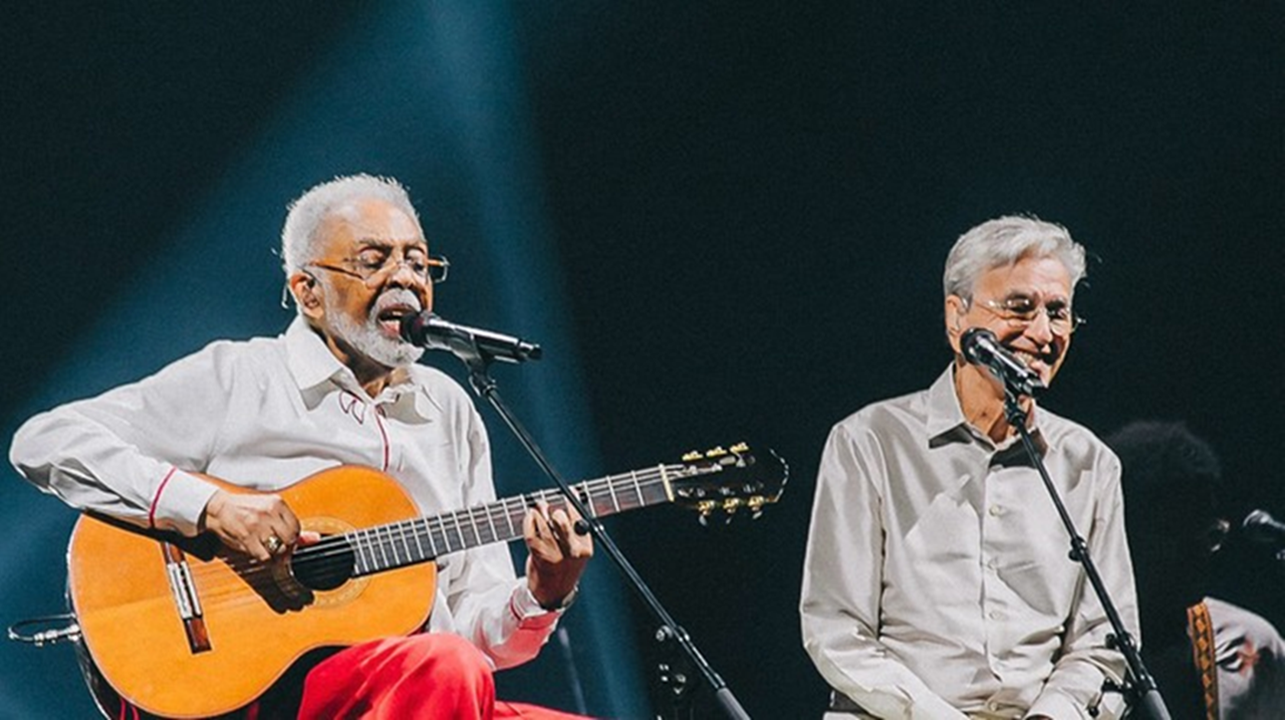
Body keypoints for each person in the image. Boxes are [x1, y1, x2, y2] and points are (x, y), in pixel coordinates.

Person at [9, 174, 594, 719]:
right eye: (375, 259)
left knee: (456, 668)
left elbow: (470, 633)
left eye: (419, 262)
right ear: (308, 292)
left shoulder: (450, 410)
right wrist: (211, 509)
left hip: (415, 692)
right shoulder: (242, 377)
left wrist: (541, 592)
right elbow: (45, 441)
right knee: (446, 665)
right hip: (254, 690)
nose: (406, 278)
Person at [801, 216, 1139, 719]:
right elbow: (836, 629)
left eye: (1058, 312)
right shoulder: (869, 442)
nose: (1043, 332)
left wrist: (1054, 713)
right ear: (956, 318)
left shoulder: (1089, 463)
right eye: (1019, 307)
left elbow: (1104, 641)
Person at [1108, 420, 1285, 720]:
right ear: (1122, 533)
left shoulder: (1248, 644)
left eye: (1211, 535)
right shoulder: (1061, 639)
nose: (1200, 552)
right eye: (1175, 533)